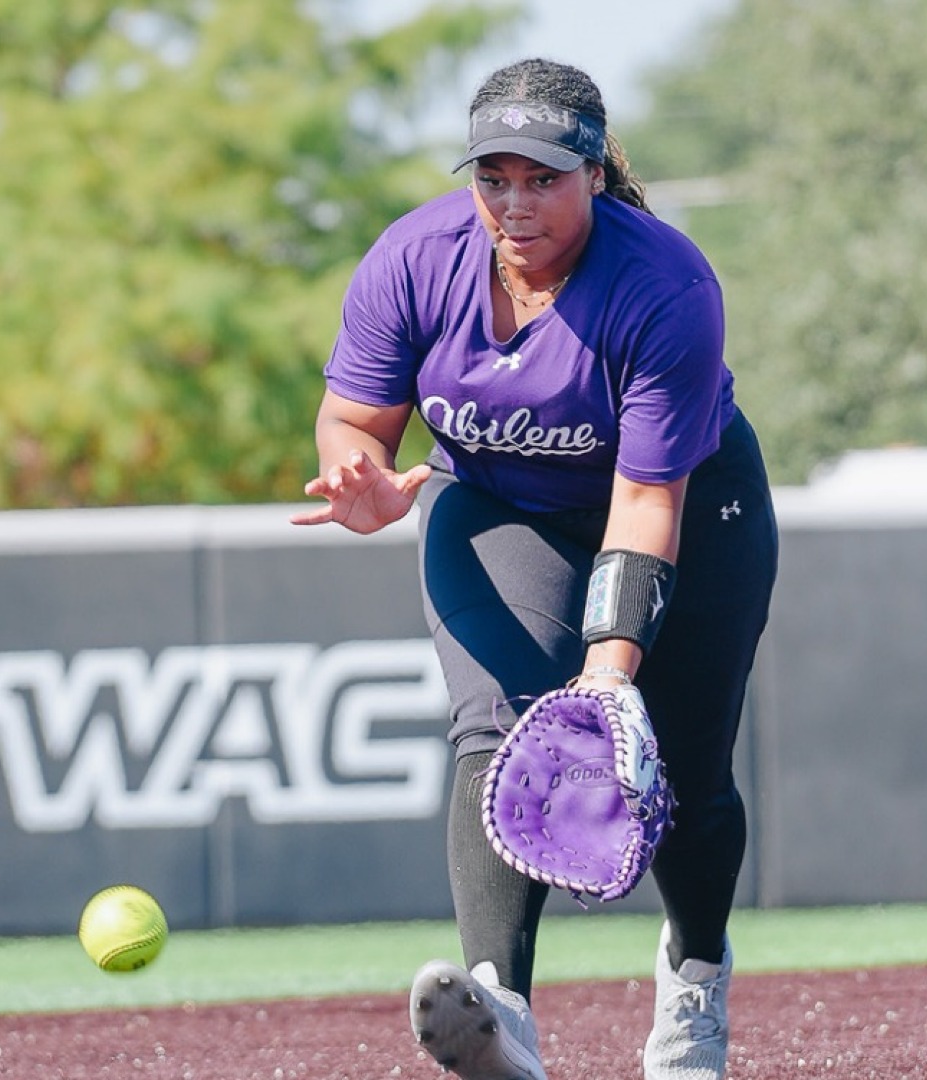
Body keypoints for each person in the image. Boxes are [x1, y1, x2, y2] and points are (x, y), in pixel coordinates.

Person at [291, 57, 779, 1080]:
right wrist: (363, 476)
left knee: (686, 771)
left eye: (544, 177)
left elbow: (645, 504)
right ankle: (499, 1013)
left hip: (690, 503)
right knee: (500, 727)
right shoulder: (414, 258)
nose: (515, 203)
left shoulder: (664, 285)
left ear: (596, 174)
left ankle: (693, 989)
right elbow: (354, 419)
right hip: (498, 506)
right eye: (494, 176)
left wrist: (608, 667)